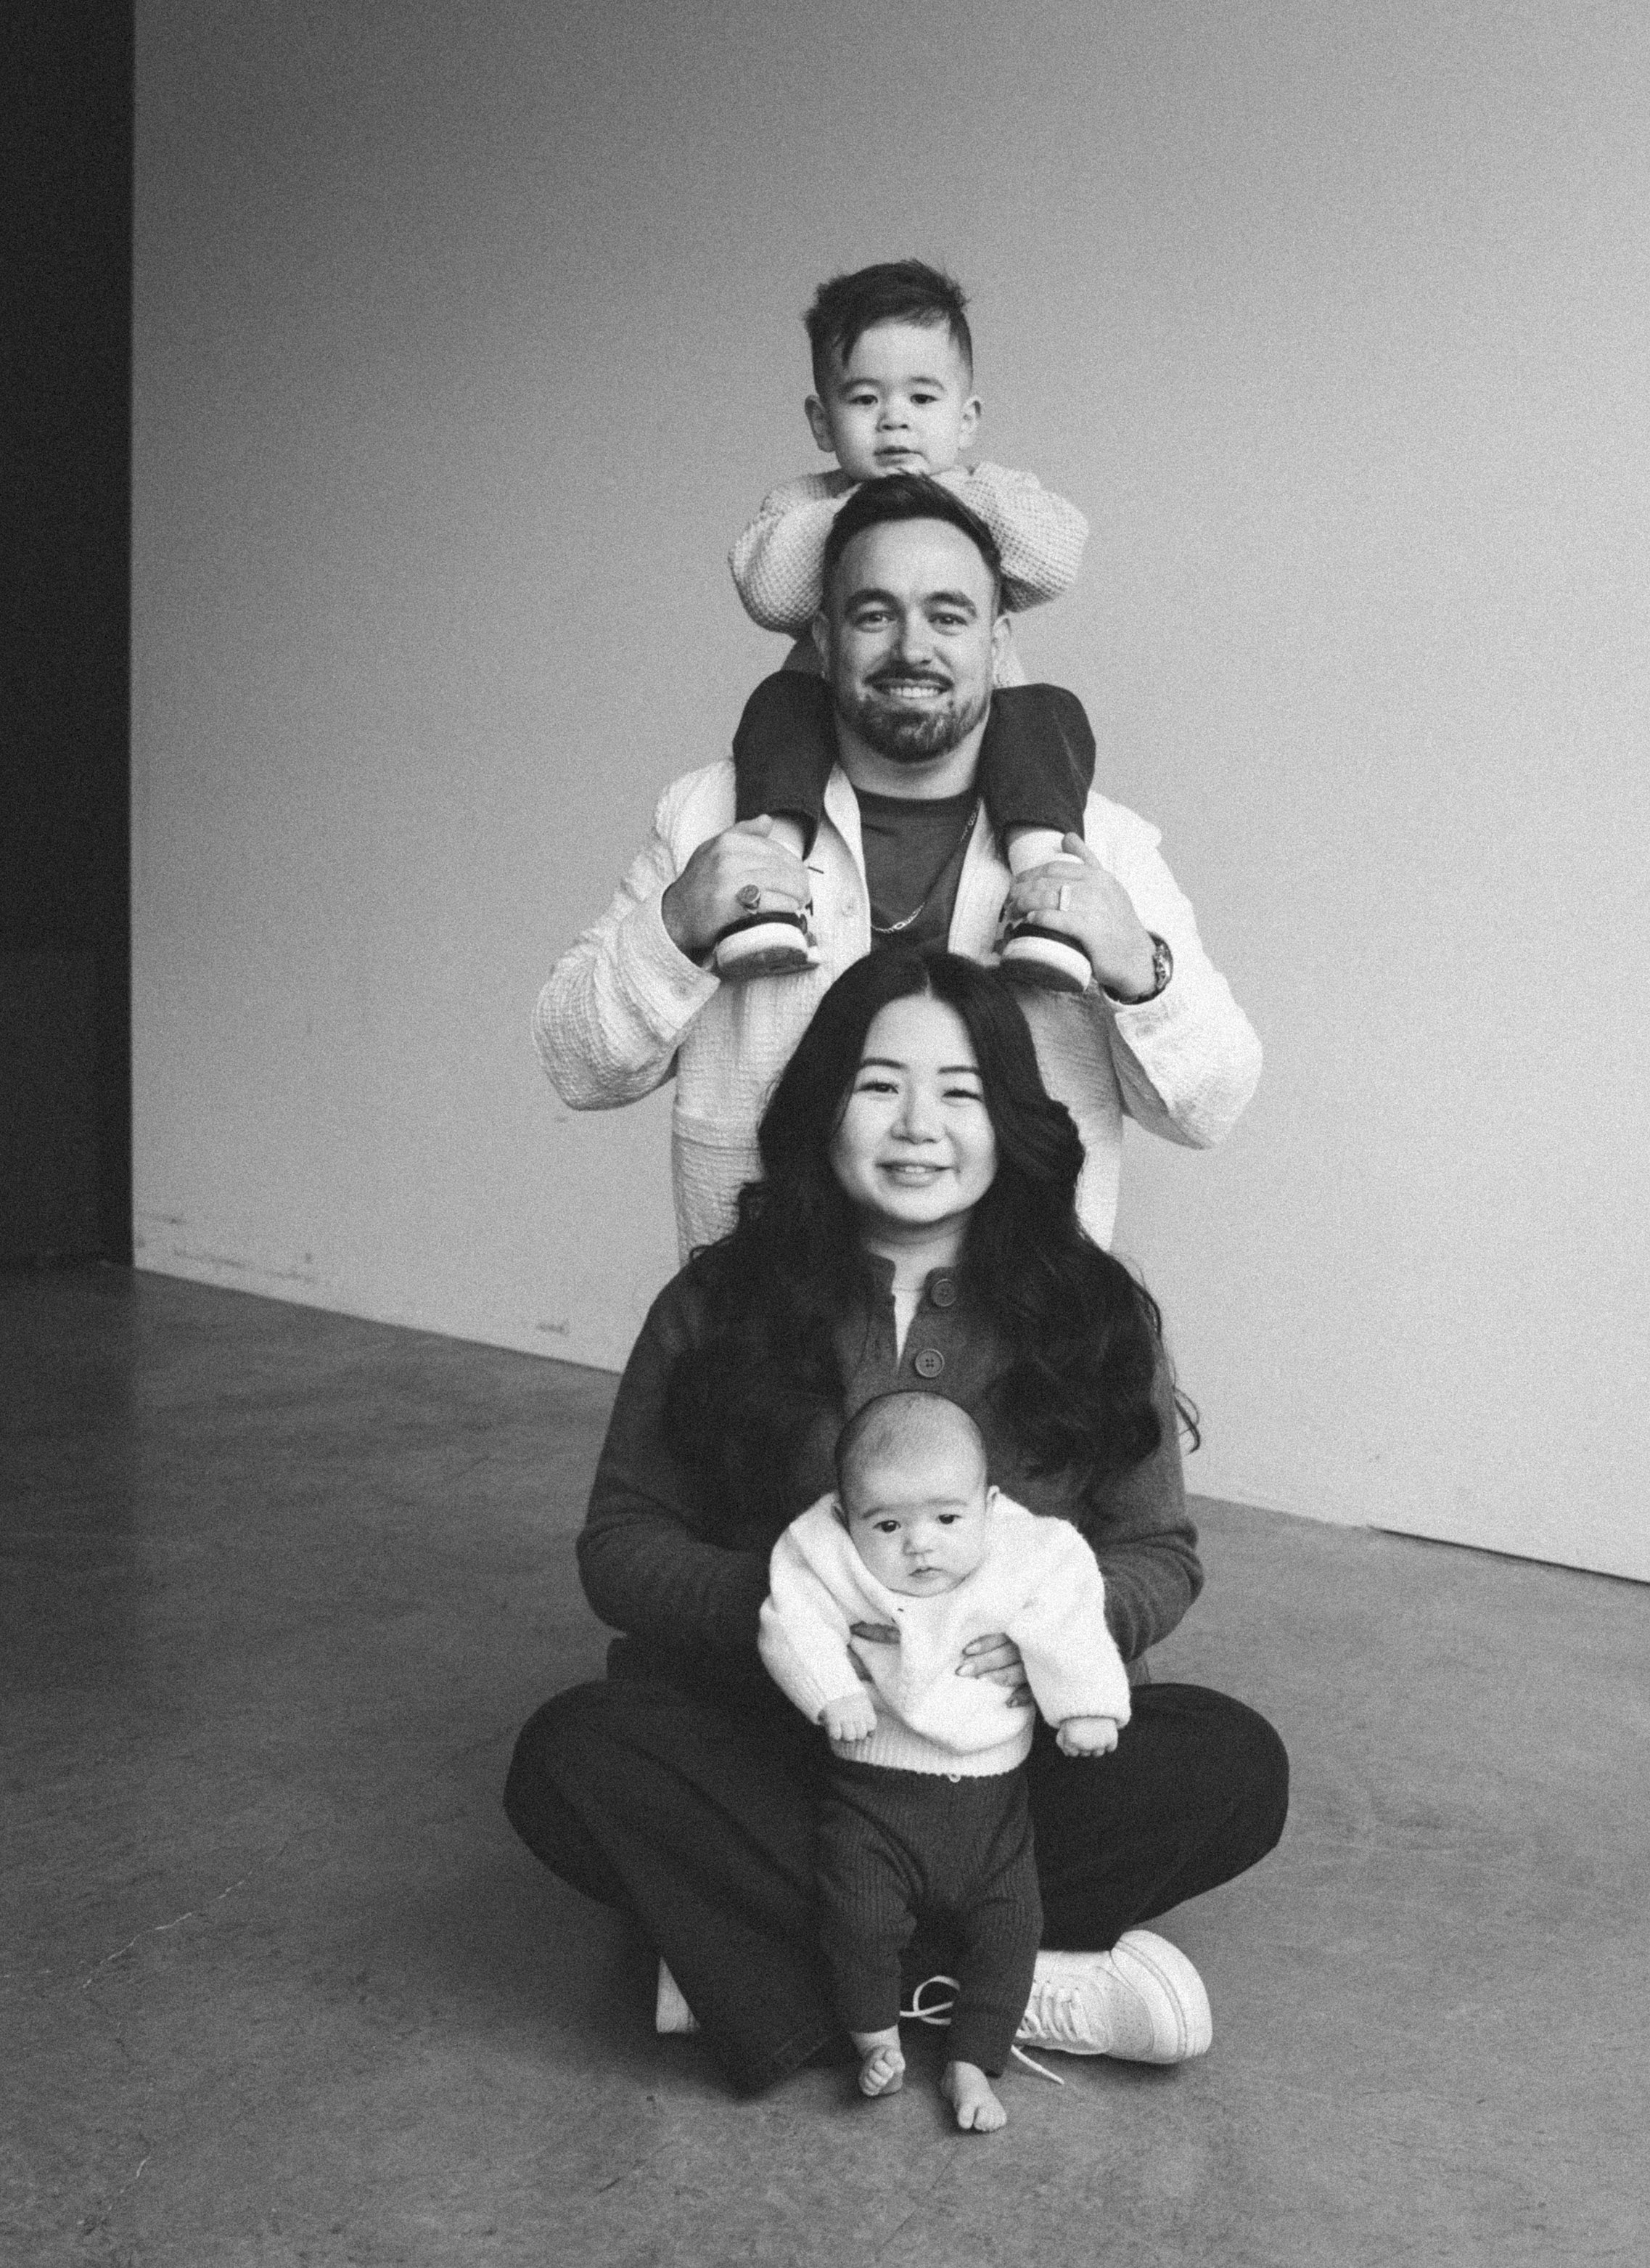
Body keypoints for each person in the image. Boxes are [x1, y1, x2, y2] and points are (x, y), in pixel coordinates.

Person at [504, 945, 1289, 2099]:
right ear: (825, 1105)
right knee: (569, 1761)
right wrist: (799, 1619)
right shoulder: (721, 1303)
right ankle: (999, 1984)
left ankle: (781, 1973)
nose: (919, 1124)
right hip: (793, 1746)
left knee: (1232, 1764)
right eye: (880, 1084)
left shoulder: (1092, 1311)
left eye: (961, 1092)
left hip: (1001, 1777)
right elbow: (621, 1545)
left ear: (1011, 1118)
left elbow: (1159, 1554)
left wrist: (1036, 1640)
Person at [533, 474, 1263, 1258]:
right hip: (764, 1329)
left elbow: (1209, 1108)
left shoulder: (1101, 841)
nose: (912, 647)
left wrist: (1138, 966)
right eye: (874, 614)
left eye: (947, 616)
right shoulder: (706, 816)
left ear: (997, 640)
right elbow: (578, 1066)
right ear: (822, 639)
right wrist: (675, 926)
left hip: (1026, 1341)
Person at [759, 1391, 1132, 2132]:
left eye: (947, 1518)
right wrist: (831, 1690)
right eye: (888, 1524)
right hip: (873, 1795)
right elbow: (790, 1618)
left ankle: (973, 2060)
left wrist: (1083, 1703)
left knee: (1013, 1924)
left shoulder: (1030, 1549)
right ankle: (875, 2036)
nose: (920, 1544)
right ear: (845, 1514)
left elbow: (1070, 1618)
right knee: (859, 1912)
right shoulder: (822, 1550)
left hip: (993, 1806)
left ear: (990, 1503)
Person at [723, 258, 1097, 989]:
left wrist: (951, 495)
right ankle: (772, 873)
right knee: (775, 712)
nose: (894, 418)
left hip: (973, 726)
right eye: (863, 398)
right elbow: (768, 593)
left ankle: (1044, 884)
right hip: (837, 725)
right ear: (821, 421)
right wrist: (872, 505)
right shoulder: (803, 504)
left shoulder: (988, 493)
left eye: (922, 397)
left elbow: (1054, 562)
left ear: (966, 419)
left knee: (1048, 718)